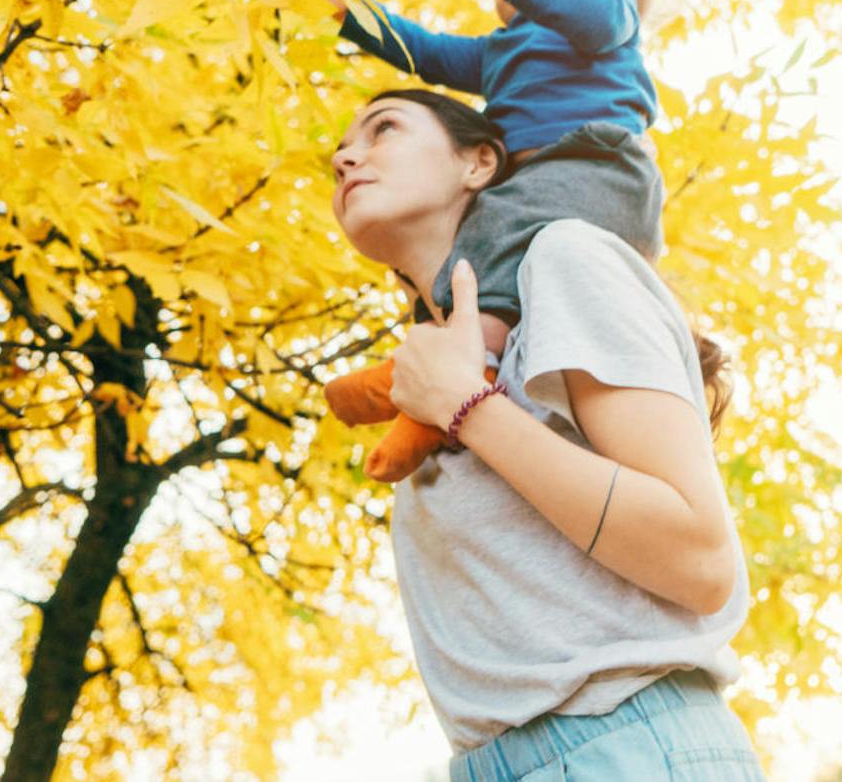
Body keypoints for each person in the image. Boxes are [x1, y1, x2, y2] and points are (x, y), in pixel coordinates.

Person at [328, 87, 767, 780]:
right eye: (340, 154)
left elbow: (702, 561)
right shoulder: (435, 368)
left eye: (383, 128)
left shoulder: (562, 258)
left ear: (478, 163)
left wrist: (469, 408)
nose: (346, 156)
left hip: (623, 748)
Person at [282, 0, 665, 483]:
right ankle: (432, 366)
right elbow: (427, 53)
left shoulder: (610, 12)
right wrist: (347, 10)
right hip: (544, 182)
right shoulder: (500, 52)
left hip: (600, 165)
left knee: (495, 225)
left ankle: (461, 374)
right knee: (468, 251)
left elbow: (591, 16)